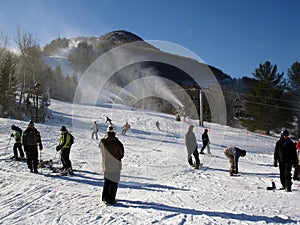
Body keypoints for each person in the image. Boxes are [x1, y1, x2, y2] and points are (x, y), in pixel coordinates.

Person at [99, 125, 124, 205]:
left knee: (107, 182)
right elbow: (121, 153)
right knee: (113, 183)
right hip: (116, 166)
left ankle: (104, 198)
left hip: (106, 165)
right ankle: (111, 199)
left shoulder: (103, 141)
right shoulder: (117, 142)